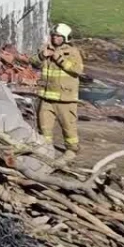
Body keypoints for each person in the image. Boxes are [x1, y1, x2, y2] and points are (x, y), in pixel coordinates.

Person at [33, 23, 85, 162]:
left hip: (65, 98)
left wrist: (59, 59)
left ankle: (71, 150)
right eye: (54, 35)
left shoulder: (72, 52)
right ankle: (46, 150)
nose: (55, 38)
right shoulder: (45, 49)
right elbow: (33, 63)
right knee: (44, 128)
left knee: (69, 127)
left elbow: (77, 70)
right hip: (46, 97)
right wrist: (41, 56)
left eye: (59, 36)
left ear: (65, 38)